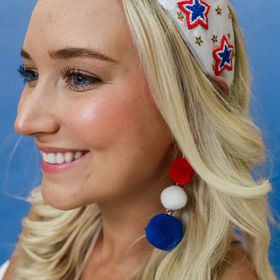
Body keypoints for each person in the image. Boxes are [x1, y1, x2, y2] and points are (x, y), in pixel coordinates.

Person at [1, 0, 278, 279]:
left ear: (192, 108)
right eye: (31, 74)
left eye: (80, 78)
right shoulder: (45, 236)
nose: (25, 121)